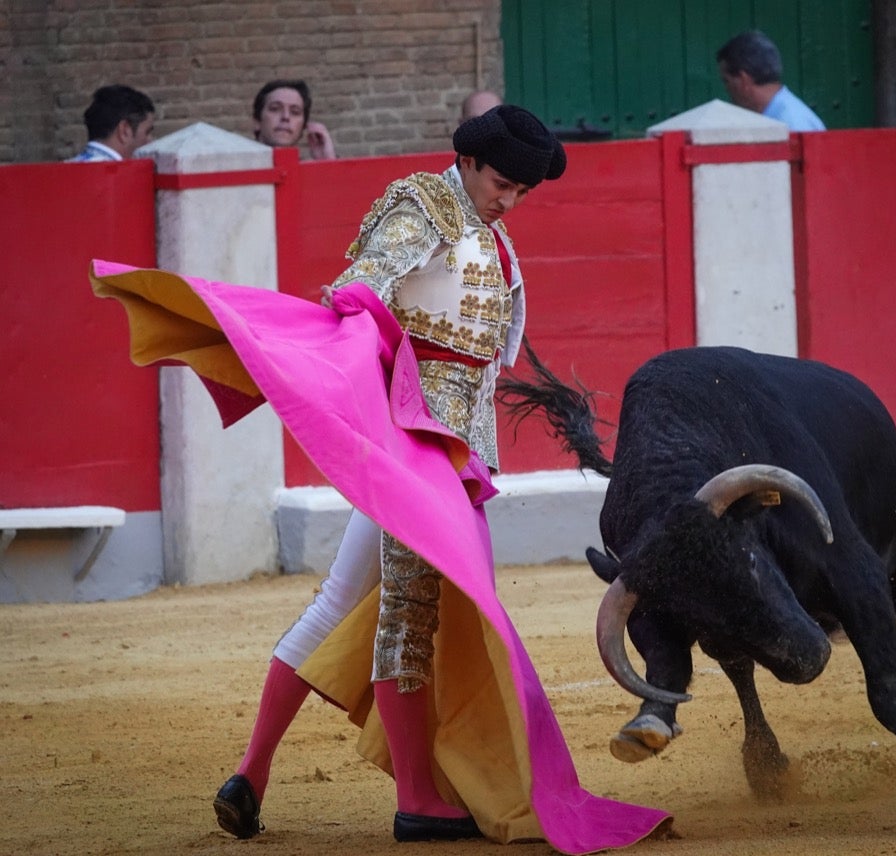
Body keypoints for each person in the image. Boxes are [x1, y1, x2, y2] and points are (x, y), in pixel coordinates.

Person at [90, 105, 670, 852]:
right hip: (416, 446)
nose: (510, 199)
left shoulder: (489, 235)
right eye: (502, 182)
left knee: (342, 602)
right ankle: (418, 800)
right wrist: (384, 398)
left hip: (447, 451)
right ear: (466, 163)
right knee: (409, 608)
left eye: (523, 191)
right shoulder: (425, 205)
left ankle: (250, 774)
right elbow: (358, 288)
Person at [716, 30, 826, 131]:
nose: (726, 89)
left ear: (744, 80)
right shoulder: (783, 116)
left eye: (726, 81)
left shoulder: (791, 124)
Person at [66, 84, 155, 162]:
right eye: (147, 132)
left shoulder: (63, 170)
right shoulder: (120, 176)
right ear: (125, 130)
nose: (150, 141)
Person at [252, 79, 336, 160]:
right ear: (257, 121)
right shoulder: (239, 165)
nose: (286, 117)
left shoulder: (309, 172)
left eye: (295, 112)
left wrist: (328, 162)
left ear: (303, 126)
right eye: (275, 109)